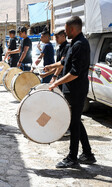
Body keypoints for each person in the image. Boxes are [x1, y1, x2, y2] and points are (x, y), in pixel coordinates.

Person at [45, 16, 96, 168]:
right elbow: (64, 62)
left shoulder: (80, 44)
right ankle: (87, 154)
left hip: (76, 91)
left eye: (66, 30)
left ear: (72, 29)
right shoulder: (74, 43)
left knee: (73, 123)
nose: (65, 32)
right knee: (76, 121)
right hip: (72, 90)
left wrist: (56, 82)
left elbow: (75, 72)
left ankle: (72, 157)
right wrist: (50, 67)